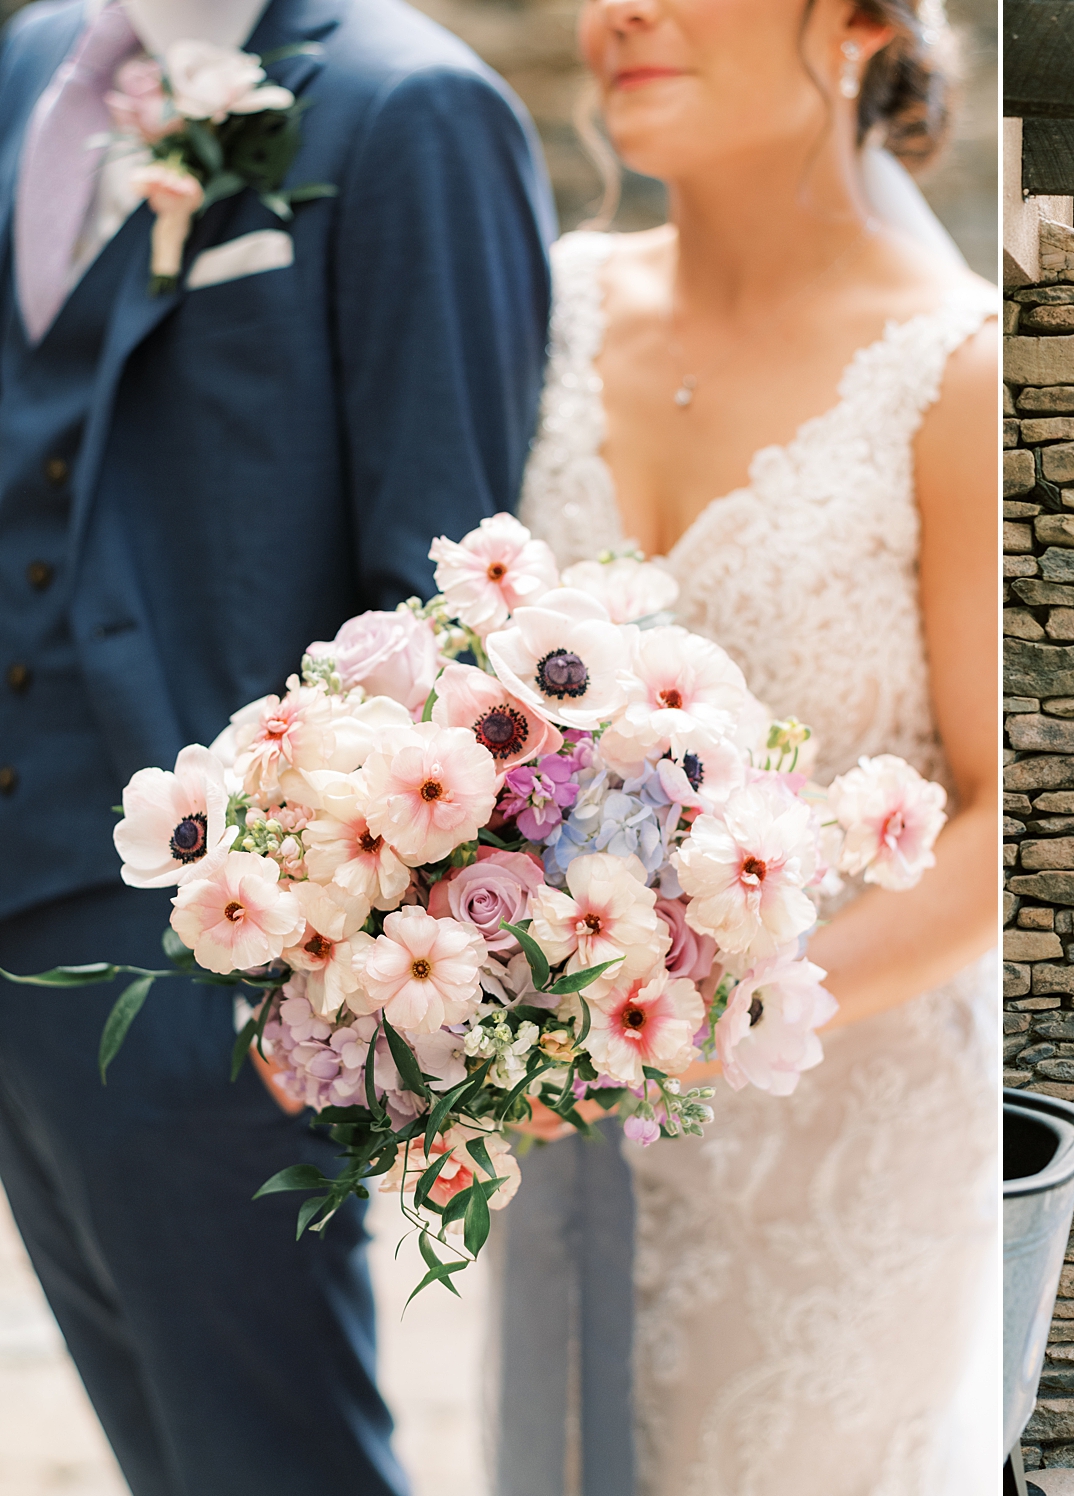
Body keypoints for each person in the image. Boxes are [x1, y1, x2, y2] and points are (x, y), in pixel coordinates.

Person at [0, 0, 552, 1490]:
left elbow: (438, 607)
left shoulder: (411, 107)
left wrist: (322, 998)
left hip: (206, 959)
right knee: (159, 1449)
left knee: (276, 1458)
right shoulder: (32, 59)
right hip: (22, 898)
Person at [513, 0, 999, 1489]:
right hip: (560, 1141)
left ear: (859, 21)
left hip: (842, 1149)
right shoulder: (546, 304)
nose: (621, 14)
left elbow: (1005, 831)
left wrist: (689, 1034)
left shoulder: (958, 373)